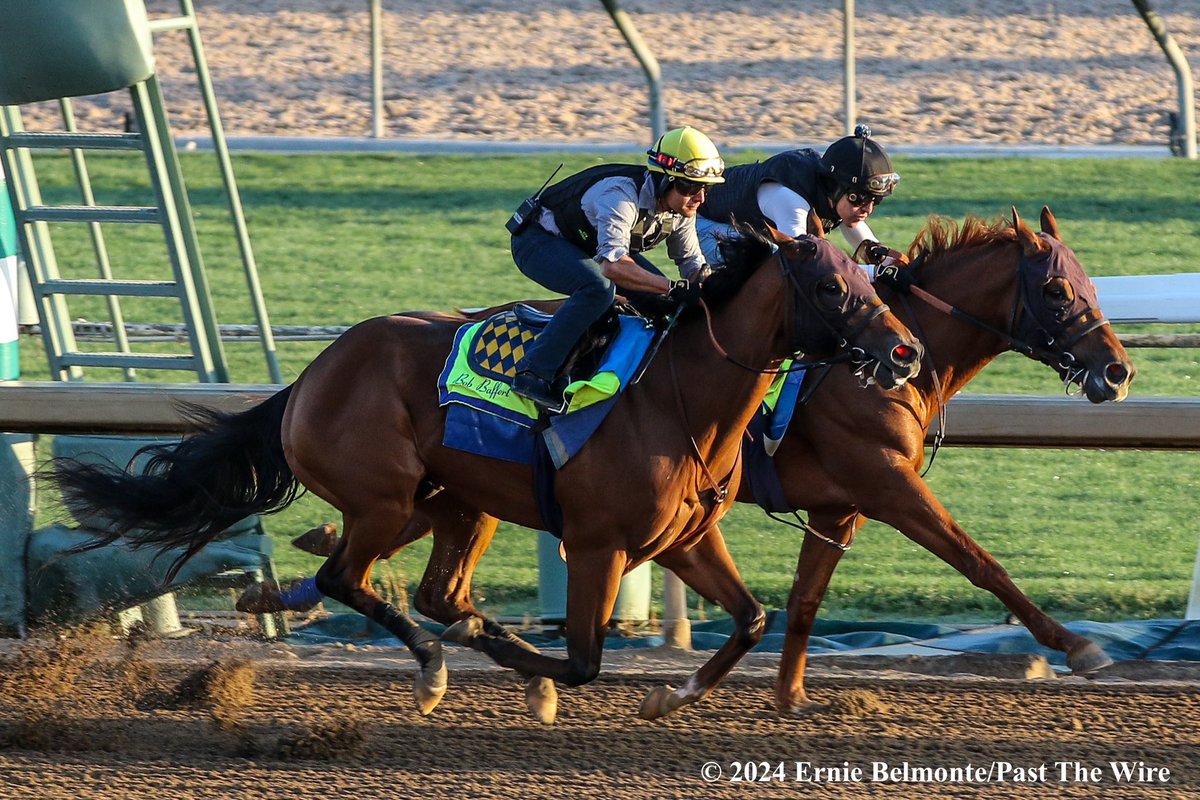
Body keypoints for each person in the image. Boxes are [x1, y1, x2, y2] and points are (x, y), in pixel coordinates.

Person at [508, 126, 725, 410]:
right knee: (598, 289)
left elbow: (692, 264)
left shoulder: (681, 211)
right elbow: (612, 267)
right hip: (537, 241)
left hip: (589, 246)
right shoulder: (620, 196)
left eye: (706, 188)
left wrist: (715, 290)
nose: (700, 198)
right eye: (691, 187)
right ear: (663, 181)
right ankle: (533, 372)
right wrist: (673, 287)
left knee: (665, 303)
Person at [696, 124, 903, 270]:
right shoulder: (790, 200)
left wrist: (890, 263)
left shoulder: (833, 195)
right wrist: (873, 274)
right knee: (772, 263)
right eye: (858, 198)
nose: (867, 209)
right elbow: (802, 262)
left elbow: (863, 240)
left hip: (740, 225)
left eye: (875, 200)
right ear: (835, 188)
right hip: (703, 221)